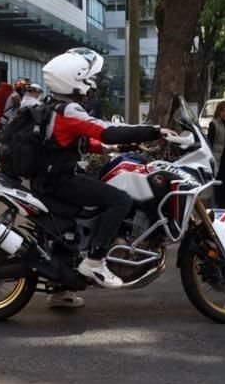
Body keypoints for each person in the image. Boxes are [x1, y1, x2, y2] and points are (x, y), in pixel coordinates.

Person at [40, 48, 168, 294]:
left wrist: (114, 148)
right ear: (74, 79)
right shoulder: (68, 111)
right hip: (62, 180)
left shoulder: (54, 106)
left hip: (51, 177)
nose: (92, 83)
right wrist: (152, 130)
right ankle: (95, 261)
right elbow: (105, 129)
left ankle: (60, 290)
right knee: (120, 199)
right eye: (88, 78)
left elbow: (79, 142)